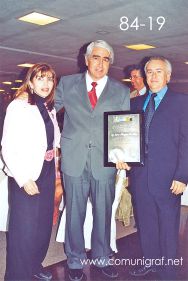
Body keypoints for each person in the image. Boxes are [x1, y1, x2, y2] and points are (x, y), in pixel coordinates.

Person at [55, 40, 130, 281]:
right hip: (74, 158)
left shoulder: (121, 90)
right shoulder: (67, 84)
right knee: (74, 213)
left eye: (106, 59)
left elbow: (125, 127)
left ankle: (102, 258)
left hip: (105, 161)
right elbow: (46, 113)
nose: (100, 63)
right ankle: (74, 260)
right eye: (96, 57)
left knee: (103, 212)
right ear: (86, 60)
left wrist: (124, 154)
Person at [117, 56, 188, 280]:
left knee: (167, 226)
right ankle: (150, 262)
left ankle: (168, 271)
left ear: (168, 76)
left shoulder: (181, 102)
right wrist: (122, 156)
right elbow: (126, 138)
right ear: (145, 76)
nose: (153, 76)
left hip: (169, 178)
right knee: (146, 223)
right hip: (140, 176)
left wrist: (182, 175)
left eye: (159, 72)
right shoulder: (136, 103)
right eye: (149, 72)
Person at [1, 63, 60, 281]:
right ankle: (17, 276)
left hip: (46, 170)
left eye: (50, 79)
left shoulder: (49, 106)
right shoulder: (19, 106)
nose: (46, 83)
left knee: (43, 225)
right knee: (23, 230)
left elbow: (54, 139)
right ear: (31, 81)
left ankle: (35, 265)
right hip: (26, 173)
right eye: (41, 78)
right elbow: (7, 147)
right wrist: (23, 178)